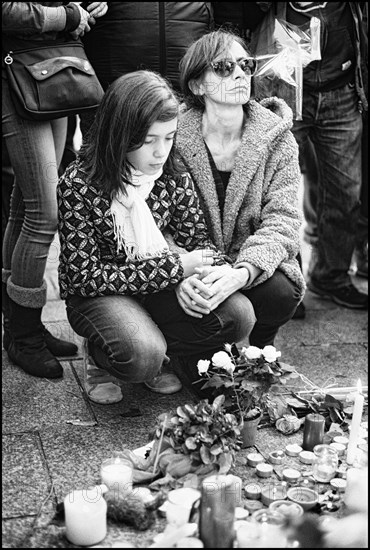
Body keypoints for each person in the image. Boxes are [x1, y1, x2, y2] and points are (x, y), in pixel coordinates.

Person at [57, 70, 256, 404]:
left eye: (168, 137)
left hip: (158, 286)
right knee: (141, 356)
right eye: (149, 140)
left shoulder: (172, 172)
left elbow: (202, 246)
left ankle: (163, 351)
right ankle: (103, 353)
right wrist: (176, 270)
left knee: (239, 315)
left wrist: (203, 277)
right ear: (120, 135)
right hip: (100, 296)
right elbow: (83, 277)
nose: (161, 151)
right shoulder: (78, 184)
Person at [175, 29, 306, 350]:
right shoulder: (172, 136)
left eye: (245, 65)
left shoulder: (277, 137)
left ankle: (263, 346)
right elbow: (155, 220)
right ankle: (194, 345)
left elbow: (284, 220)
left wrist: (243, 272)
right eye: (223, 67)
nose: (238, 74)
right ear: (196, 84)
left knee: (282, 291)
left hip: (249, 257)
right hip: (196, 260)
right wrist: (180, 270)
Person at [1, 2, 102, 378]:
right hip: (15, 70)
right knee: (45, 214)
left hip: (51, 65)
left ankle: (21, 327)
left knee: (25, 208)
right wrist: (68, 17)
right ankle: (24, 337)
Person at [251, 2, 368, 309]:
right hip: (284, 85)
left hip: (341, 89)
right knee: (277, 191)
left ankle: (331, 276)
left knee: (346, 192)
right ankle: (287, 283)